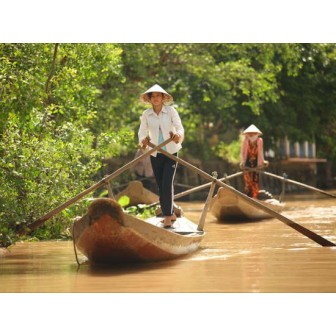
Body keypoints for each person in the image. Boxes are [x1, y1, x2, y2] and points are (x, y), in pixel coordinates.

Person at [138, 84, 184, 228]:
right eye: (153, 96)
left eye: (158, 96)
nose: (156, 98)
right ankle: (171, 212)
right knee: (160, 184)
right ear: (150, 99)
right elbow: (142, 132)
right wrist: (143, 141)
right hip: (155, 152)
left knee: (167, 183)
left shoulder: (171, 111)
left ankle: (168, 215)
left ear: (163, 98)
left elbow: (180, 128)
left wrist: (177, 136)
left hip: (170, 151)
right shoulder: (146, 114)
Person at [240, 124, 268, 198]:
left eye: (253, 133)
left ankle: (254, 197)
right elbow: (243, 152)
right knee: (248, 182)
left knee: (255, 181)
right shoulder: (245, 141)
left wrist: (263, 162)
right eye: (250, 133)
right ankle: (247, 197)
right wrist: (242, 162)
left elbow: (260, 152)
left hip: (256, 163)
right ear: (248, 134)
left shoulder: (260, 141)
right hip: (247, 163)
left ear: (256, 134)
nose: (251, 135)